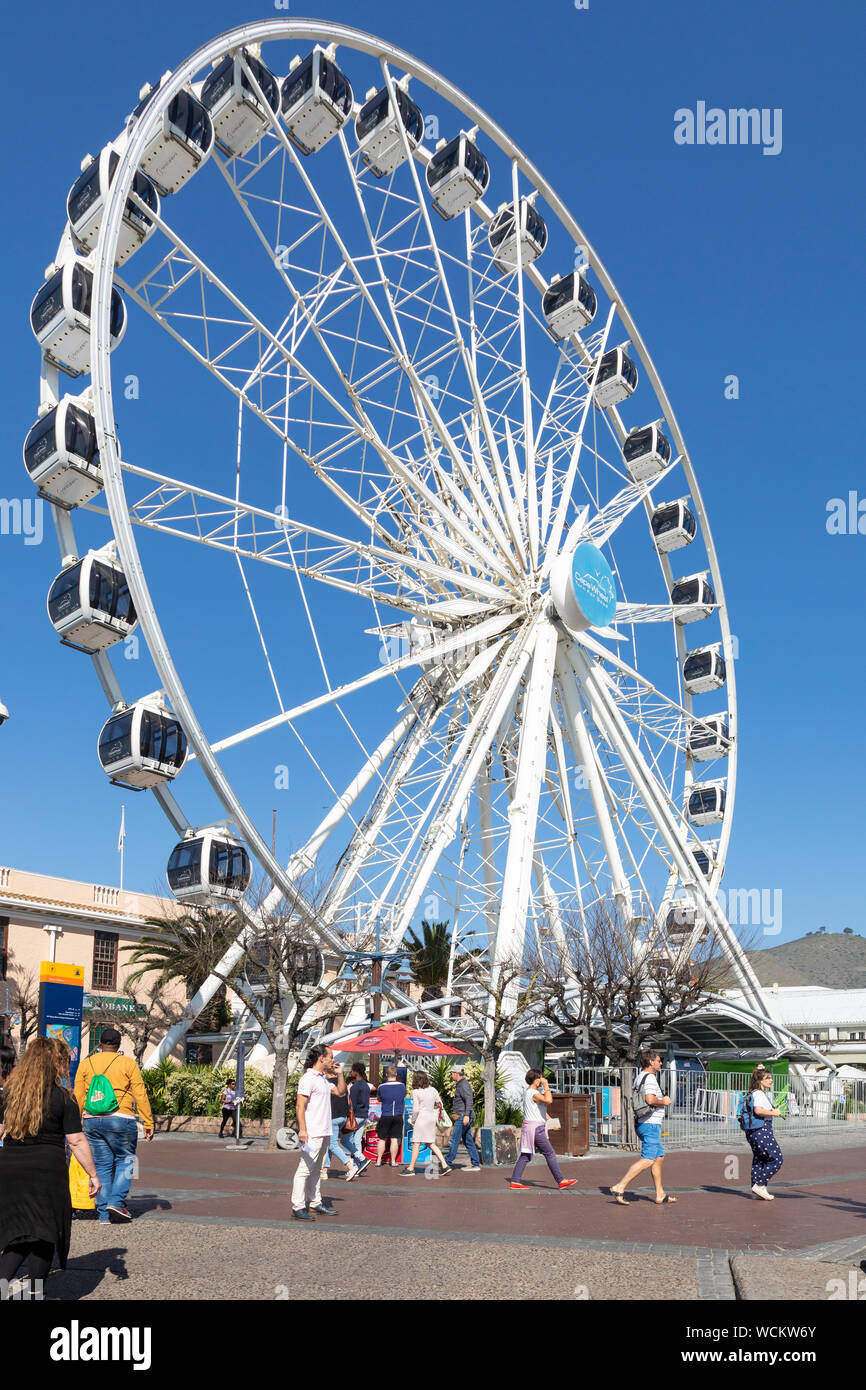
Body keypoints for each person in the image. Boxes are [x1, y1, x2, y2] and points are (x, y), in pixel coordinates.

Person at [0, 1037, 100, 1298]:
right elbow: (76, 1140)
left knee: (17, 1234)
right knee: (44, 1234)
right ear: (57, 1063)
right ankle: (34, 1293)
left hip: (10, 1169)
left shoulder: (10, 1094)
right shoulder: (63, 1097)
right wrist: (93, 1175)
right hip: (47, 1172)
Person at [73, 1026, 153, 1224]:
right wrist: (148, 1121)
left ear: (100, 1044)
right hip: (121, 1119)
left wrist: (76, 1121)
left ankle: (103, 1214)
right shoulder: (128, 1063)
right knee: (127, 1160)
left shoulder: (86, 1063)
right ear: (118, 1045)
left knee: (101, 1166)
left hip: (91, 1120)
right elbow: (140, 1093)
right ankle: (116, 1202)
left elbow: (79, 1094)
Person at [609, 1049, 677, 1205]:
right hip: (650, 1124)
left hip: (645, 1123)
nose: (660, 1063)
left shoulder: (640, 1077)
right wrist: (664, 1101)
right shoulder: (650, 1078)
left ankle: (660, 1194)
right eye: (658, 1060)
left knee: (658, 1158)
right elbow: (650, 1099)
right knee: (648, 1159)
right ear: (650, 1062)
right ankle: (620, 1186)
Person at [292, 1045, 345, 1222]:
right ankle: (298, 1206)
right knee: (304, 1170)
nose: (332, 1059)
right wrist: (303, 1129)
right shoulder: (308, 1078)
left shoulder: (322, 1079)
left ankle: (315, 1202)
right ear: (321, 1058)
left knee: (316, 1170)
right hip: (313, 1131)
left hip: (324, 1131)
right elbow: (300, 1105)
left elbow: (340, 1092)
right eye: (330, 1056)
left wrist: (339, 1074)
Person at [509, 1069, 578, 1191]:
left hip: (532, 1127)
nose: (543, 1080)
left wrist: (551, 1122)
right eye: (541, 1078)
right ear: (536, 1080)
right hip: (536, 1129)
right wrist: (547, 1087)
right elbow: (549, 1100)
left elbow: (541, 1111)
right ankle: (561, 1180)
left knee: (526, 1155)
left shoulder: (531, 1092)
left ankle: (515, 1181)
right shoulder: (533, 1093)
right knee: (549, 1153)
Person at [745, 1064, 784, 1199]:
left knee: (760, 1159)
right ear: (760, 1081)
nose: (771, 1080)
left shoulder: (753, 1093)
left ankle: (757, 1190)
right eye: (768, 1078)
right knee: (776, 1158)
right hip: (762, 1130)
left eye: (771, 1078)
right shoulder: (760, 1094)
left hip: (753, 1131)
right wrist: (774, 1113)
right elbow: (759, 1110)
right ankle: (760, 1185)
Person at [404, 1071, 451, 1175]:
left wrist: (413, 1121)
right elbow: (440, 1104)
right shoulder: (433, 1090)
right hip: (431, 1118)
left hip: (421, 1118)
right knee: (431, 1143)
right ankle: (444, 1164)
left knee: (416, 1143)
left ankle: (410, 1168)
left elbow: (416, 1110)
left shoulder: (416, 1092)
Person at [323, 1056, 358, 1182]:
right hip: (343, 1116)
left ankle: (350, 1166)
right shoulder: (341, 1083)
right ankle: (324, 1170)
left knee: (332, 1144)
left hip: (332, 1117)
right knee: (328, 1144)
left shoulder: (326, 1084)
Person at [446, 1066, 481, 1171]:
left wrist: (466, 1115)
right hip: (463, 1116)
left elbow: (469, 1100)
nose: (451, 1075)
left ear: (456, 1073)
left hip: (462, 1117)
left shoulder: (463, 1085)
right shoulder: (461, 1084)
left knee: (454, 1139)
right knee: (468, 1140)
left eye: (451, 1073)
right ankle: (476, 1163)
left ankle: (447, 1162)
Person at [375, 1066, 407, 1167]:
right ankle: (393, 1161)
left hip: (385, 1115)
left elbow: (379, 1099)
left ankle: (379, 1161)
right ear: (396, 1074)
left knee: (382, 1139)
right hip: (398, 1115)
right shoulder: (402, 1086)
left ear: (386, 1075)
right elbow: (403, 1098)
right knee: (394, 1139)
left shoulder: (381, 1087)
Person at [346, 1063, 372, 1175]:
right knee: (357, 1141)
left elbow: (352, 1104)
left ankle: (362, 1159)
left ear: (355, 1072)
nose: (351, 1072)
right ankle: (357, 1166)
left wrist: (348, 1116)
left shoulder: (354, 1087)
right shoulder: (366, 1085)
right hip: (364, 1115)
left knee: (345, 1140)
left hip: (355, 1115)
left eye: (352, 1070)